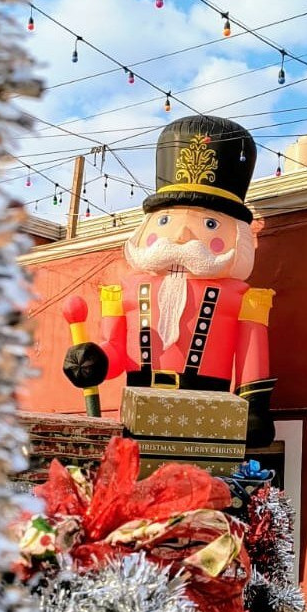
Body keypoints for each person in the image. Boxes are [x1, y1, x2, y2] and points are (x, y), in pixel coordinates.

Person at [63, 115, 276, 447]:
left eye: (209, 224)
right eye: (165, 219)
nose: (181, 233)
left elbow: (252, 352)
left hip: (210, 405)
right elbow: (116, 347)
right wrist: (94, 360)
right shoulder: (125, 291)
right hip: (139, 405)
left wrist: (254, 406)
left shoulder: (243, 297)